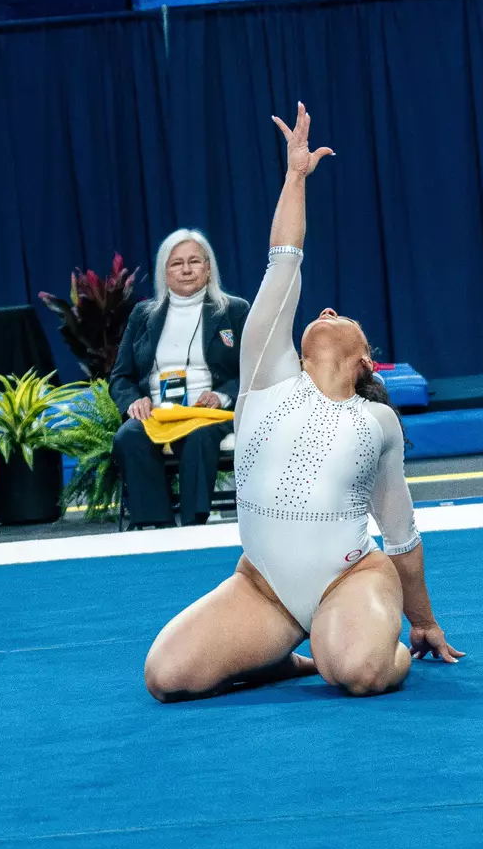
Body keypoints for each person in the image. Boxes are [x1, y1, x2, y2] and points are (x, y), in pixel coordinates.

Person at [144, 104, 464, 703]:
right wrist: (295, 177)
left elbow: (401, 536)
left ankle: (361, 640)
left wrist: (420, 622)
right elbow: (284, 260)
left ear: (367, 362)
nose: (326, 311)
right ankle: (294, 657)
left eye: (342, 318)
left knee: (363, 673)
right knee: (166, 677)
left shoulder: (378, 421)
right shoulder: (266, 373)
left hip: (349, 576)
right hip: (264, 588)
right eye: (323, 311)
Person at [110, 230, 249, 529]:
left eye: (194, 261)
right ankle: (158, 525)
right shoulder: (143, 314)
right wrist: (134, 400)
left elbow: (255, 369)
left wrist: (223, 395)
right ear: (164, 271)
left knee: (198, 436)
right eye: (176, 264)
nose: (186, 270)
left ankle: (193, 522)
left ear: (209, 267)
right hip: (158, 411)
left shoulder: (234, 311)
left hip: (209, 412)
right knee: (128, 437)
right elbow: (120, 376)